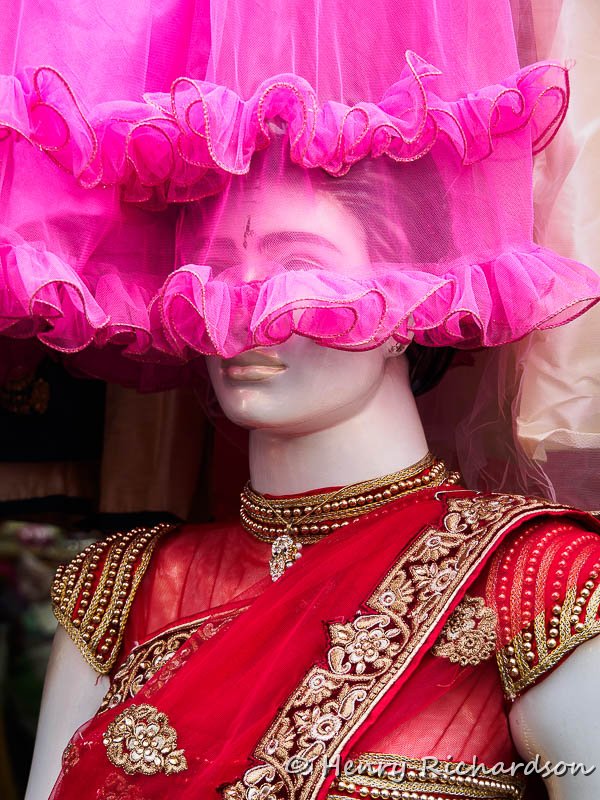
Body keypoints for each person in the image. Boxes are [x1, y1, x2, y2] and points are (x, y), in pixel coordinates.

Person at [2, 1, 599, 799]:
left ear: (405, 296)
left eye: (299, 266)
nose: (247, 309)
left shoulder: (537, 583)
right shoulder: (124, 591)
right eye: (216, 270)